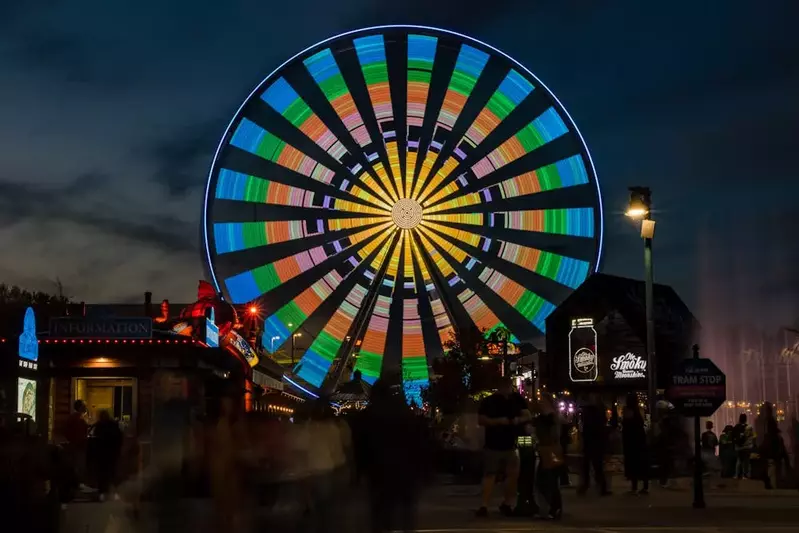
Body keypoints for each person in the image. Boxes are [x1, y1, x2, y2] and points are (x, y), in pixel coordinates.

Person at [476, 377, 531, 517]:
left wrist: (517, 420)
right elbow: (481, 420)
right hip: (494, 444)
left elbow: (527, 415)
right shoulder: (489, 401)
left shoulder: (516, 399)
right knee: (491, 475)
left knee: (511, 475)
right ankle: (485, 505)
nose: (507, 389)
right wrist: (498, 422)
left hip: (510, 443)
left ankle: (505, 503)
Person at [533, 396, 563, 520]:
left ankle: (554, 508)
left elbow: (554, 435)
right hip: (547, 451)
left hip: (550, 451)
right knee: (546, 480)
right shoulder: (543, 418)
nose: (540, 404)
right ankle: (552, 508)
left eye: (543, 402)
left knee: (548, 480)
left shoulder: (551, 418)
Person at [577, 395, 610, 496]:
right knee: (597, 466)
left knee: (588, 465)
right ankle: (601, 487)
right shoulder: (598, 412)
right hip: (597, 441)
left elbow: (585, 427)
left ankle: (586, 485)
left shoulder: (587, 412)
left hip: (590, 441)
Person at [91, 410, 122, 500]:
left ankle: (103, 492)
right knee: (112, 472)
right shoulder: (113, 425)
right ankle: (114, 492)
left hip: (102, 453)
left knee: (102, 474)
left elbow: (95, 440)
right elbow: (119, 438)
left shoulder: (99, 426)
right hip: (112, 453)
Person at [622, 395, 649, 495]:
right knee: (641, 465)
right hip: (639, 442)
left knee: (633, 465)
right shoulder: (638, 411)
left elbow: (627, 426)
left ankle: (635, 487)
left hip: (632, 443)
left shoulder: (629, 411)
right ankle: (644, 486)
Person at [63, 399, 90, 491]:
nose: (86, 408)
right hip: (78, 445)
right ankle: (77, 484)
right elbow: (80, 431)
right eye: (84, 406)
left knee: (77, 464)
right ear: (80, 407)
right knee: (79, 464)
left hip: (75, 444)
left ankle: (76, 484)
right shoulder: (78, 418)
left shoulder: (74, 417)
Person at [733, 413, 755, 479]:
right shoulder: (748, 427)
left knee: (739, 460)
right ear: (746, 419)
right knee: (746, 461)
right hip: (746, 447)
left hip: (738, 447)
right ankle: (744, 475)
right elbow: (752, 437)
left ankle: (736, 475)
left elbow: (733, 436)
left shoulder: (736, 427)